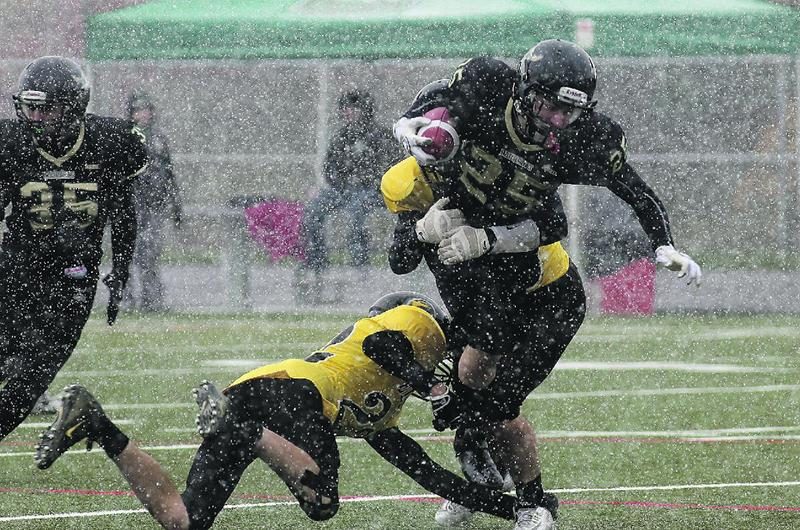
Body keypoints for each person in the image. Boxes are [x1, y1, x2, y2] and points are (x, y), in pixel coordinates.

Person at [385, 39, 702, 529]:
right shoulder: (434, 152)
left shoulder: (573, 142)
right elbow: (400, 256)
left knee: (490, 402)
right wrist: (414, 134)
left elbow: (572, 215)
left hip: (543, 288)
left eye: (568, 112)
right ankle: (485, 486)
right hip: (491, 277)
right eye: (551, 106)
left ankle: (534, 504)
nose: (557, 121)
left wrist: (663, 242)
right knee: (472, 391)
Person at [34, 292, 554, 529]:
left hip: (251, 395)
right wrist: (431, 386)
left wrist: (524, 509)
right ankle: (246, 429)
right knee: (323, 502)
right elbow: (383, 350)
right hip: (295, 391)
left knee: (183, 520)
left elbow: (434, 477)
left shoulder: (384, 416)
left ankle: (97, 424)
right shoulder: (415, 325)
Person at [0, 56, 147, 442]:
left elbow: (124, 213)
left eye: (45, 108)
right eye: (30, 107)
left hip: (73, 281)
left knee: (33, 377)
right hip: (17, 270)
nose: (34, 117)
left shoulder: (111, 141)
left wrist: (122, 268)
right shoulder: (11, 144)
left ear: (74, 106)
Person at [298, 89, 398, 300]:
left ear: (364, 110)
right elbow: (329, 169)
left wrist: (369, 181)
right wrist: (341, 183)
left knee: (358, 209)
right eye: (345, 109)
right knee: (313, 210)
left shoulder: (381, 136)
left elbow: (391, 168)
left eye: (353, 108)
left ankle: (360, 266)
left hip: (373, 191)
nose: (348, 113)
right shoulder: (341, 137)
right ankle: (317, 265)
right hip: (343, 190)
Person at [125, 90, 182, 312]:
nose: (144, 114)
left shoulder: (158, 139)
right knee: (128, 254)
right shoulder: (125, 136)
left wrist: (176, 205)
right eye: (139, 110)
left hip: (154, 205)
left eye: (146, 109)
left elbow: (168, 174)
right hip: (131, 206)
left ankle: (151, 300)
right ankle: (126, 299)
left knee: (150, 254)